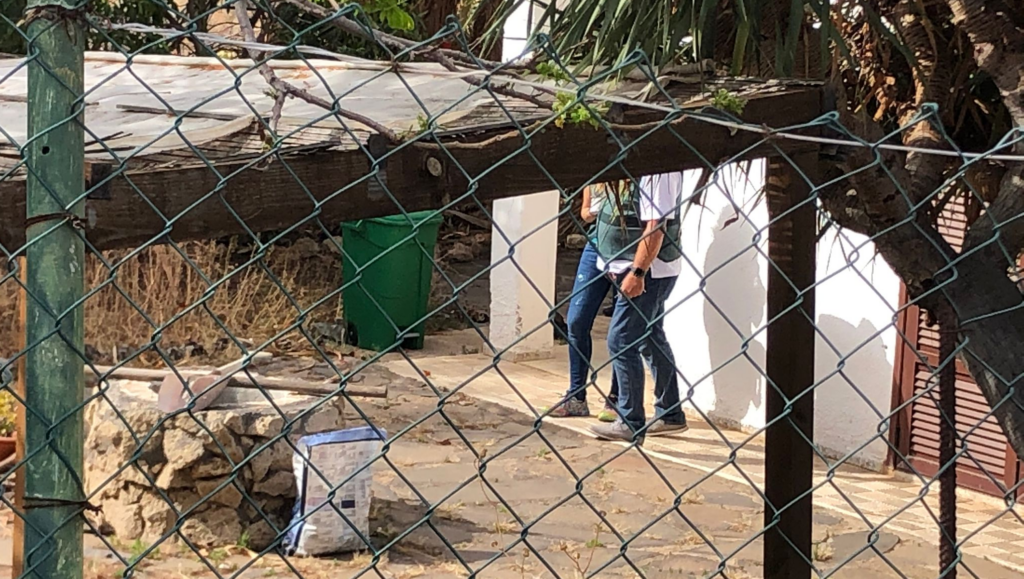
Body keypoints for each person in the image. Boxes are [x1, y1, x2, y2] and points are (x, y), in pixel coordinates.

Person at [589, 173, 688, 443]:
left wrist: (638, 272)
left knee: (621, 340)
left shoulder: (660, 171)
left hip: (649, 272)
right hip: (630, 266)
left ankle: (630, 421)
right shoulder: (633, 169)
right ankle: (670, 413)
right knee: (650, 337)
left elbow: (656, 226)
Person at [547, 183, 621, 422]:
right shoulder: (598, 177)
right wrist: (603, 208)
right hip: (597, 241)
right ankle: (576, 396)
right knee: (576, 320)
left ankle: (617, 398)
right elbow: (585, 212)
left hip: (627, 247)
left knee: (622, 328)